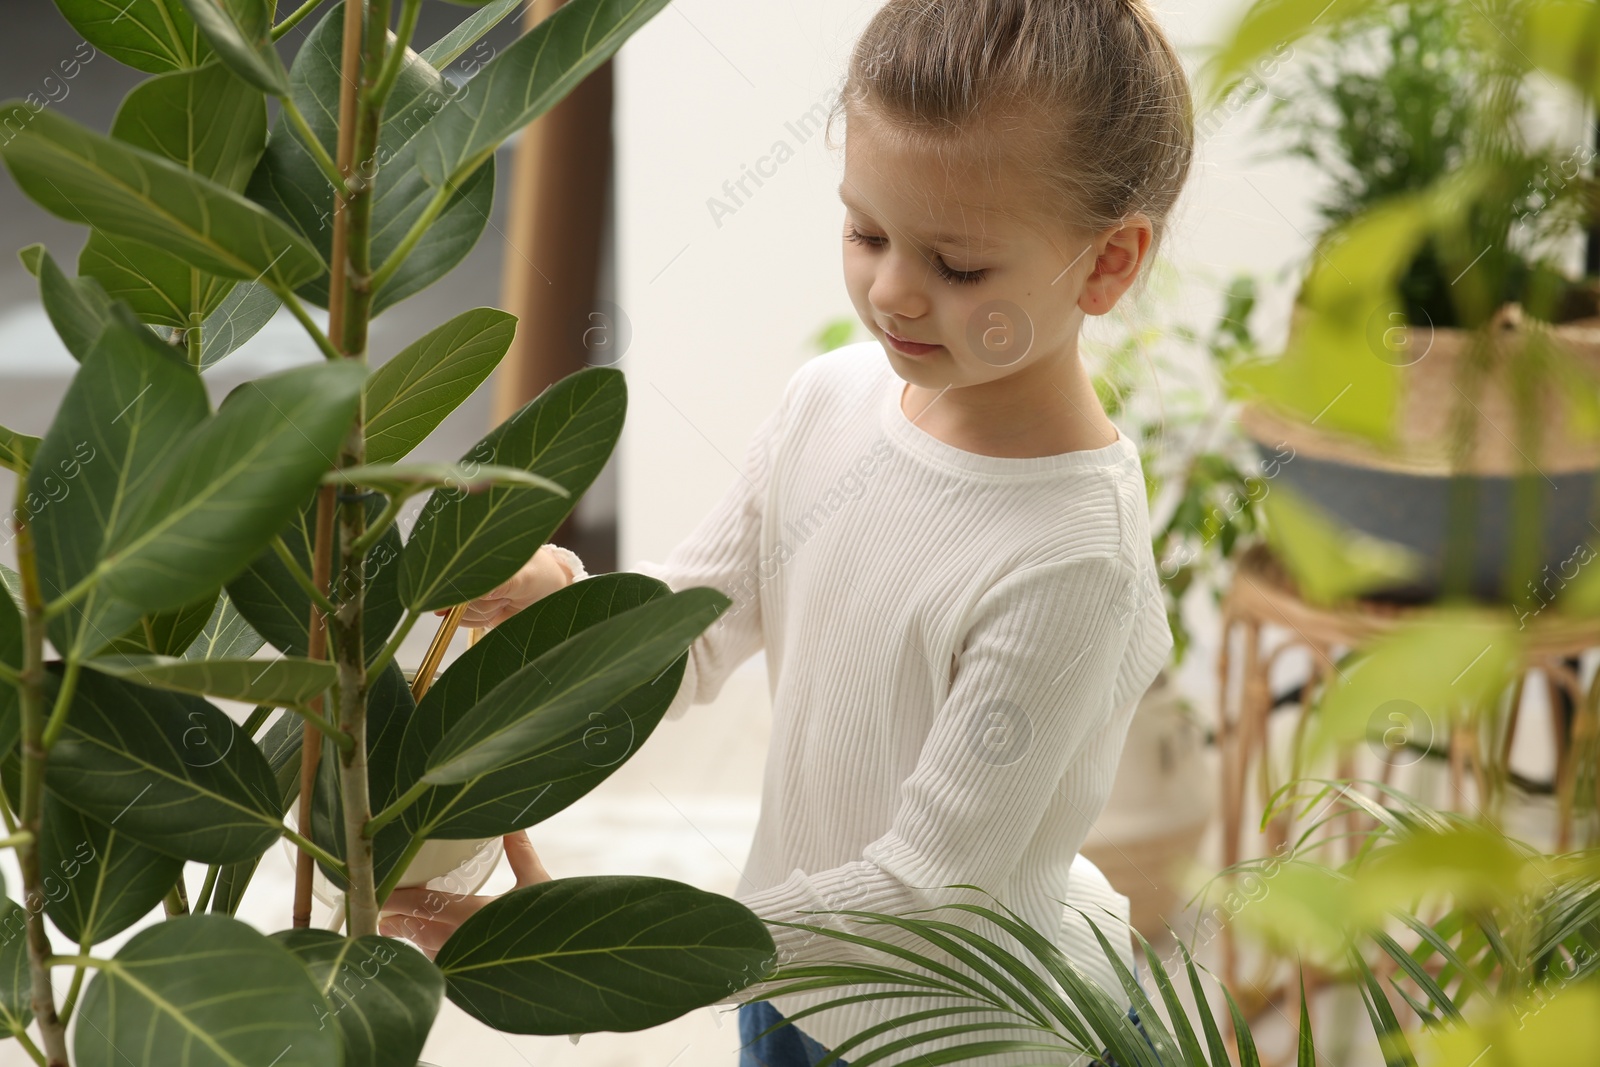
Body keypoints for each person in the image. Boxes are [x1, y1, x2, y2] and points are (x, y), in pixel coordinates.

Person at [380, 0, 1191, 1062]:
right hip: (786, 979)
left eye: (957, 266)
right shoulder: (831, 400)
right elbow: (700, 625)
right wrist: (557, 602)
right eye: (865, 232)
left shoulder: (1071, 557)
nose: (893, 291)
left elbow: (926, 895)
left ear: (1107, 263)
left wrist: (619, 944)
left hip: (958, 1033)